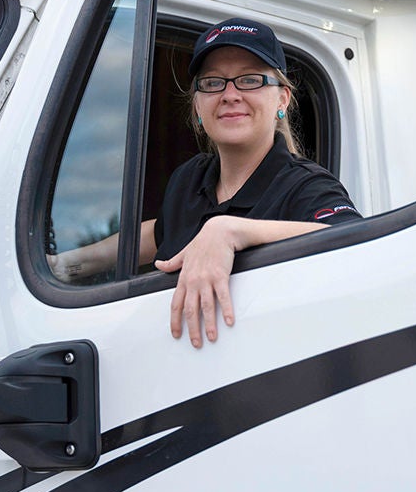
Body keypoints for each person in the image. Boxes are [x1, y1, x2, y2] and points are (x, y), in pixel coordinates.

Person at [49, 17, 361, 347]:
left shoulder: (305, 185)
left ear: (282, 100)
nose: (230, 94)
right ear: (198, 106)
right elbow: (161, 234)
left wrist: (230, 231)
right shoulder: (190, 177)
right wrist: (64, 266)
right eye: (213, 83)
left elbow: (354, 241)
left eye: (250, 80)